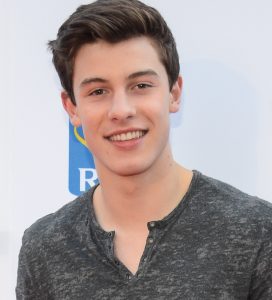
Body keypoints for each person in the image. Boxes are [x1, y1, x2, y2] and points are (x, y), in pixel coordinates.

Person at [16, 0, 272, 299]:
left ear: (174, 93)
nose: (121, 110)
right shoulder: (44, 247)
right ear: (72, 107)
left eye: (140, 85)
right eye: (98, 91)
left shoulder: (256, 232)